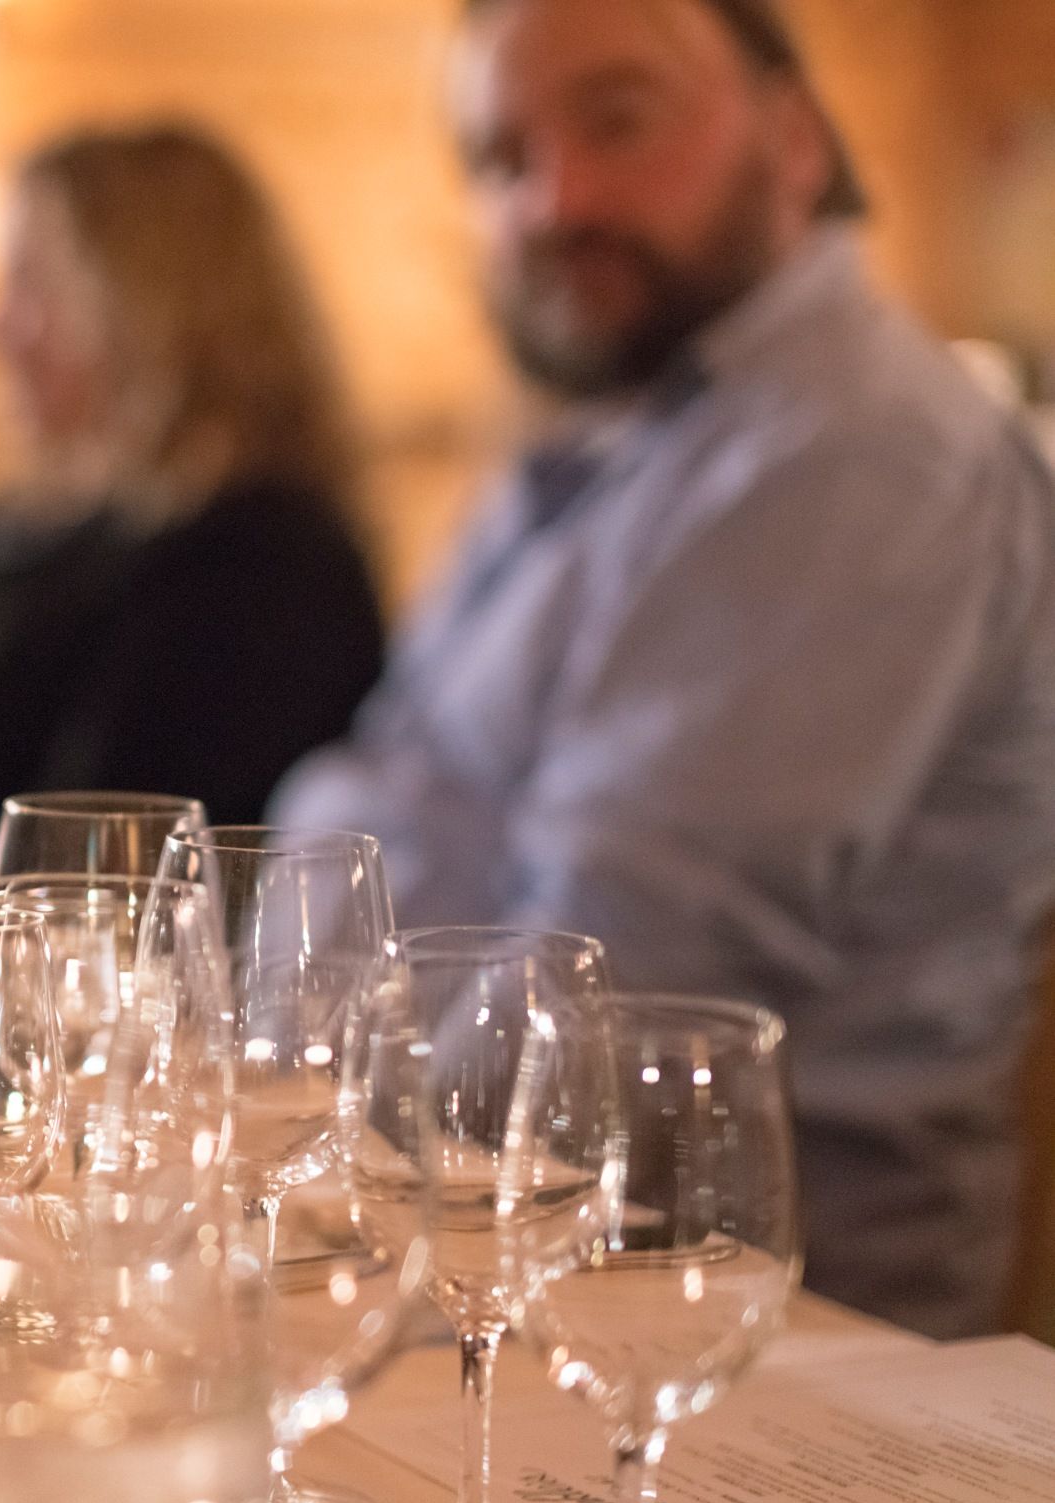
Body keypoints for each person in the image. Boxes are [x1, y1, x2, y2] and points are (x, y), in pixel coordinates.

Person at [273, 0, 1055, 1336]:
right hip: (465, 1252)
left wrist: (275, 1207)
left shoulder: (850, 453)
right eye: (503, 159)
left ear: (796, 138)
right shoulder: (619, 446)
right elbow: (384, 798)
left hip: (729, 1331)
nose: (556, 196)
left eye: (619, 119)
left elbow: (607, 978)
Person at [0, 124, 385, 874]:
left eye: (33, 284)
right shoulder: (24, 536)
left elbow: (102, 862)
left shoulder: (268, 563)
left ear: (155, 301)